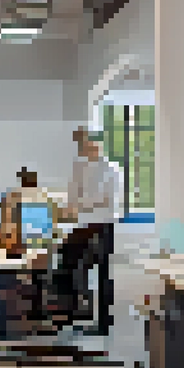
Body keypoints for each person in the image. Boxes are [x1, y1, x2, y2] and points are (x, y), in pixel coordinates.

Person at [62, 129, 124, 333]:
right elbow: (73, 197)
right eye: (84, 145)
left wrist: (82, 203)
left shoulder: (111, 169)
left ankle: (104, 322)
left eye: (89, 144)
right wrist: (83, 203)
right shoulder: (79, 167)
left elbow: (107, 200)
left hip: (103, 224)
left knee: (103, 273)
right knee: (69, 263)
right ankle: (78, 311)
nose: (85, 148)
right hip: (82, 224)